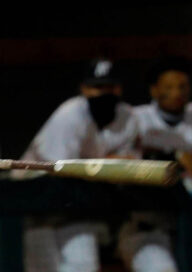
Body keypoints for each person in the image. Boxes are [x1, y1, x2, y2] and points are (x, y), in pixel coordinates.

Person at [17, 58, 139, 272]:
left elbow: (125, 169)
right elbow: (59, 170)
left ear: (119, 89)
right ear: (83, 89)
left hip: (77, 208)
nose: (103, 94)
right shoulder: (70, 114)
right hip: (34, 204)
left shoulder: (128, 117)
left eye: (109, 87)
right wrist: (107, 165)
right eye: (97, 87)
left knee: (86, 267)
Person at [117, 57, 190, 272]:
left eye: (183, 86)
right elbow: (115, 158)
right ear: (154, 90)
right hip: (148, 228)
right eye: (169, 86)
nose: (177, 92)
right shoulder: (135, 119)